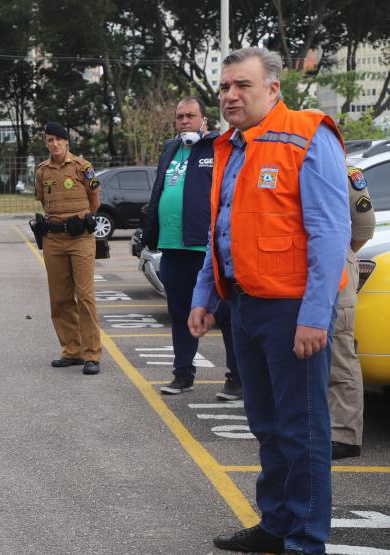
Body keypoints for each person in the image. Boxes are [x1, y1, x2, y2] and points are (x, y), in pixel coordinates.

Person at [189, 47, 350, 555]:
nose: (230, 96)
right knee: (265, 424)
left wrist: (314, 316)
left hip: (292, 312)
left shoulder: (307, 134)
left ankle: (305, 540)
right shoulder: (230, 146)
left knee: (301, 431)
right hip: (245, 308)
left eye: (242, 86)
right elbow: (224, 229)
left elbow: (329, 232)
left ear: (273, 89)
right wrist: (205, 294)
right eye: (224, 87)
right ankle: (277, 525)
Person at [141, 97, 242, 400]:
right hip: (172, 248)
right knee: (180, 313)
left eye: (190, 116)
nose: (184, 121)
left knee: (223, 313)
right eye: (180, 116)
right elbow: (160, 190)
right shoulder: (170, 149)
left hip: (205, 247)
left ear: (204, 120)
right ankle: (183, 375)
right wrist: (150, 232)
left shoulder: (216, 147)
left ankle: (236, 379)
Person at [34, 122, 101, 375]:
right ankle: (72, 350)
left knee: (84, 296)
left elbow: (94, 199)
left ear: (66, 141)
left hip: (80, 237)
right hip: (53, 238)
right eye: (50, 140)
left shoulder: (83, 167)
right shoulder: (42, 171)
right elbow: (43, 200)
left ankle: (92, 354)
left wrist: (82, 220)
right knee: (60, 297)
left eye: (58, 139)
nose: (54, 144)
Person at [329, 166, 375, 460]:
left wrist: (343, 252)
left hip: (336, 269)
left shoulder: (346, 172)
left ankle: (344, 435)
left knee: (339, 351)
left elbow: (364, 227)